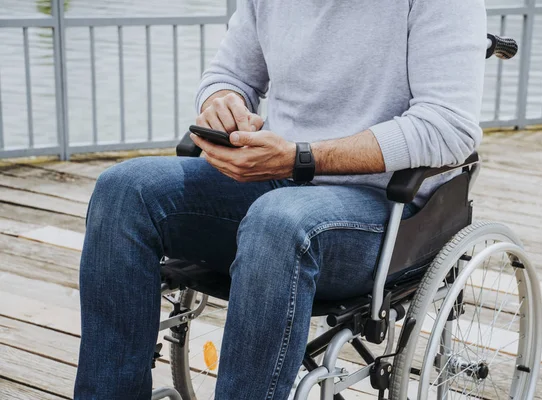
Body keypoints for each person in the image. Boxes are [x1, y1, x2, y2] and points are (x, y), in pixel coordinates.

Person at [74, 0, 486, 398]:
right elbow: (230, 75)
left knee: (279, 220)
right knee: (124, 189)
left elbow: (449, 127)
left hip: (386, 209)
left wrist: (301, 159)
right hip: (278, 179)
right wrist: (223, 103)